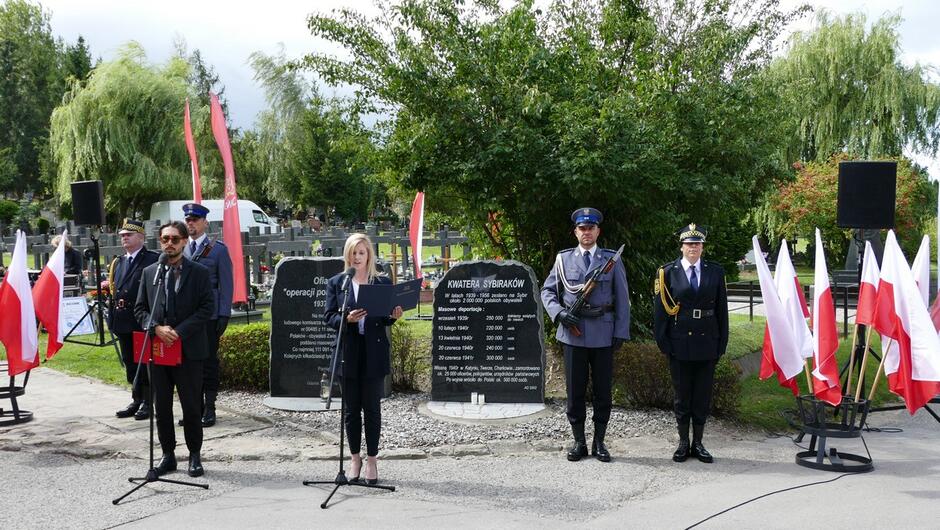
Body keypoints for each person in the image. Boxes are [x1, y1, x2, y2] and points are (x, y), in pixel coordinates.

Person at [541, 208, 630, 463]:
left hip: (603, 333)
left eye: (591, 228)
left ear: (598, 231)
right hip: (573, 335)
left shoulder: (611, 259)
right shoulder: (563, 260)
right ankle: (579, 441)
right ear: (576, 232)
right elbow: (547, 292)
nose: (586, 232)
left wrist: (621, 331)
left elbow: (622, 298)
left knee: (603, 392)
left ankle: (599, 441)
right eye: (582, 228)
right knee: (575, 391)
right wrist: (559, 314)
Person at [135, 221, 215, 477]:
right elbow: (140, 309)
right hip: (159, 350)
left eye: (174, 239)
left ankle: (194, 454)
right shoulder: (150, 272)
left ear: (183, 242)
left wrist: (179, 331)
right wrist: (156, 327)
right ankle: (168, 455)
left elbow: (206, 308)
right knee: (162, 406)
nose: (169, 243)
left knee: (192, 406)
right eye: (164, 239)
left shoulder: (199, 272)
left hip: (188, 349)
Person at [324, 233, 402, 484]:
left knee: (372, 410)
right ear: (347, 255)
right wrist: (345, 319)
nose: (357, 257)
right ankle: (354, 458)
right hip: (348, 352)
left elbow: (385, 317)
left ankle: (371, 461)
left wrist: (393, 315)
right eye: (353, 252)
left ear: (369, 255)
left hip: (373, 353)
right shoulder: (338, 283)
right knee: (351, 412)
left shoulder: (380, 282)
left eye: (361, 252)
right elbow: (328, 317)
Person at [653, 223, 728, 464]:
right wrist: (664, 343)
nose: (693, 248)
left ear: (702, 247)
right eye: (689, 244)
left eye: (697, 244)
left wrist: (722, 343)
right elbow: (660, 313)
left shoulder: (715, 272)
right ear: (681, 246)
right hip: (680, 343)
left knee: (702, 396)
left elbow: (721, 311)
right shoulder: (667, 272)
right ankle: (683, 443)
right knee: (682, 395)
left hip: (708, 342)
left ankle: (699, 443)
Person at [181, 202, 233, 428]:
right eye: (188, 220)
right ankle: (194, 409)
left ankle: (210, 407)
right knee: (186, 365)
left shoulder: (218, 250)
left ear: (204, 223)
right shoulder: (181, 247)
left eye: (195, 220)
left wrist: (223, 314)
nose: (191, 224)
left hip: (209, 317)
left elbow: (226, 284)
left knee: (209, 363)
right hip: (184, 317)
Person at [107, 219, 159, 420]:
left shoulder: (152, 259)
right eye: (122, 235)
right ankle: (136, 399)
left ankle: (147, 402)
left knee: (144, 363)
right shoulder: (119, 262)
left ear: (141, 237)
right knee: (130, 362)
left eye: (129, 235)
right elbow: (115, 292)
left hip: (140, 320)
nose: (124, 238)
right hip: (122, 321)